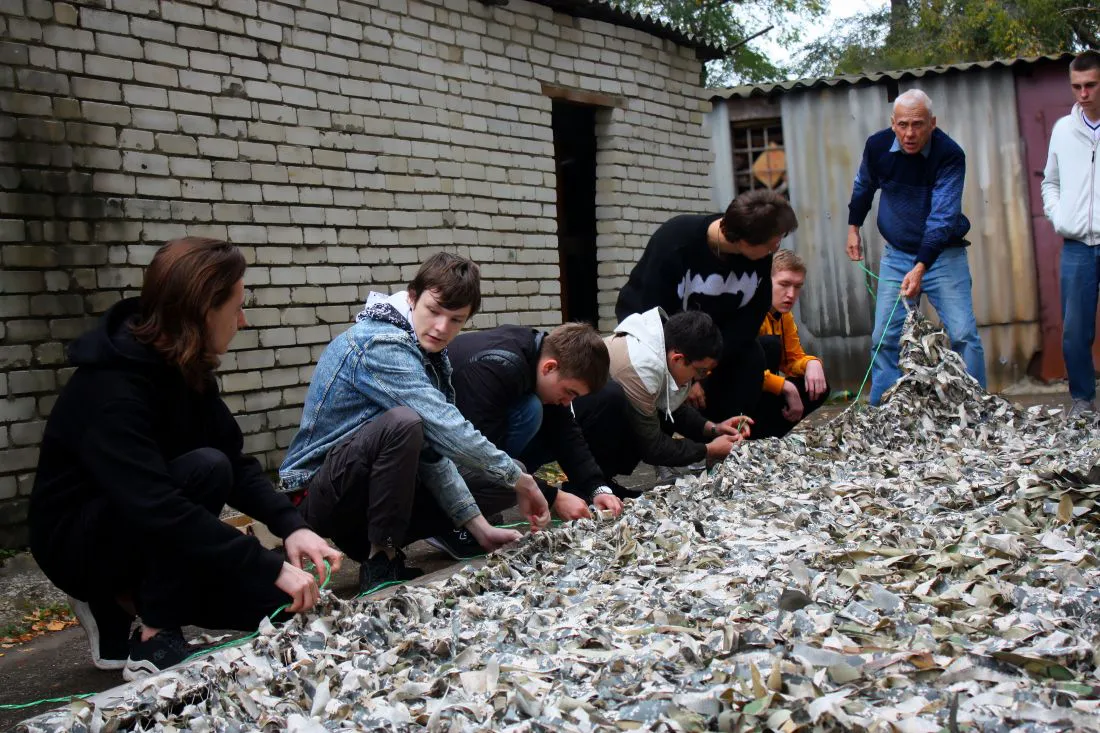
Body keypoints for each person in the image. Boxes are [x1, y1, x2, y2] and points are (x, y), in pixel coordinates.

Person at [28, 238, 341, 681]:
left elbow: (237, 465)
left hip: (152, 524)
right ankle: (152, 633)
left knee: (278, 606)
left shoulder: (186, 367)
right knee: (206, 468)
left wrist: (294, 528)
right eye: (237, 307)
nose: (243, 320)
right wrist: (269, 564)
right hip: (80, 541)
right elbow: (160, 505)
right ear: (203, 310)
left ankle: (125, 601)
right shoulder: (110, 391)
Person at [279, 253, 551, 593]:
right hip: (319, 494)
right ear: (411, 297)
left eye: (456, 320)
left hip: (367, 495)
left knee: (497, 478)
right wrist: (522, 482)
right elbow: (447, 428)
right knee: (407, 424)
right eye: (434, 311)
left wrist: (481, 529)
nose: (442, 328)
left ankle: (447, 534)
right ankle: (381, 560)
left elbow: (434, 452)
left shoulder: (425, 351)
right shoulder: (380, 343)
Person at [426, 322, 621, 558]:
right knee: (530, 412)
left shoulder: (536, 356)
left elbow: (565, 432)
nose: (568, 401)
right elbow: (479, 456)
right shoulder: (496, 367)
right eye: (570, 392)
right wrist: (552, 496)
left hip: (468, 442)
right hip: (427, 466)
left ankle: (482, 504)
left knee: (538, 413)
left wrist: (596, 488)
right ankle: (445, 523)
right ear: (550, 368)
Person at [847, 88, 986, 405]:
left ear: (932, 123)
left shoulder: (949, 155)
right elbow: (864, 186)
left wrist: (921, 266)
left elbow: (942, 218)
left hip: (943, 256)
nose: (910, 133)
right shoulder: (877, 146)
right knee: (884, 337)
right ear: (893, 123)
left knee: (963, 334)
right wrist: (853, 227)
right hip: (897, 256)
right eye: (903, 125)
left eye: (918, 125)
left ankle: (978, 409)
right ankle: (884, 410)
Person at [615, 189, 798, 423]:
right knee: (664, 376)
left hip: (712, 344)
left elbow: (750, 319)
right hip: (657, 343)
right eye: (773, 243)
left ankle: (731, 436)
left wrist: (705, 367)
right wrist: (688, 376)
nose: (776, 248)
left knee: (755, 353)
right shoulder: (675, 242)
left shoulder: (759, 257)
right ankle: (671, 441)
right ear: (744, 241)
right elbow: (652, 318)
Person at [572, 309, 751, 495]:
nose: (700, 379)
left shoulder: (663, 348)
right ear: (678, 359)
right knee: (615, 400)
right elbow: (653, 447)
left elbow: (671, 408)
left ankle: (602, 482)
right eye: (701, 371)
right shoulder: (643, 368)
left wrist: (713, 428)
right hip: (573, 418)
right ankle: (587, 487)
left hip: (591, 410)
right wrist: (709, 450)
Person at [1041, 50, 1100, 417]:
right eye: (1076, 86)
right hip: (1077, 245)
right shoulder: (1063, 130)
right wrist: (1058, 215)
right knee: (1075, 331)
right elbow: (1051, 181)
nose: (1083, 93)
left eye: (1091, 84)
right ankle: (1082, 400)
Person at [750, 250, 829, 438]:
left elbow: (792, 360)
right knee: (769, 345)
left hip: (761, 386)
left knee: (816, 387)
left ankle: (766, 437)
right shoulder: (749, 312)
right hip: (729, 394)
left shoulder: (783, 315)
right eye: (784, 284)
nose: (791, 294)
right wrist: (785, 387)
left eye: (797, 286)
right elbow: (740, 369)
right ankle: (748, 436)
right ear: (765, 282)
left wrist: (812, 363)